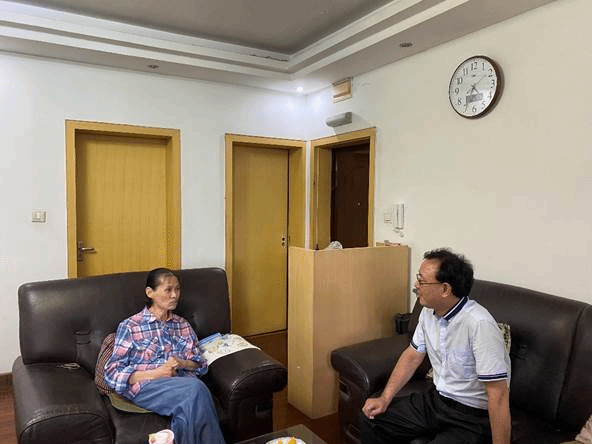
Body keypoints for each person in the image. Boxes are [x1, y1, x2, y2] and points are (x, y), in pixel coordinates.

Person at [361, 248, 511, 444]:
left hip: (471, 416)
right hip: (437, 401)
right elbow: (413, 355)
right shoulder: (428, 311)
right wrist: (384, 398)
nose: (416, 285)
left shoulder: (479, 324)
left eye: (421, 281)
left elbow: (498, 394)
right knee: (371, 419)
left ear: (445, 289)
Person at [104, 268, 225, 444]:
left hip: (182, 383)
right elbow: (112, 372)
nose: (175, 295)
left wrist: (182, 362)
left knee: (186, 413)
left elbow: (200, 364)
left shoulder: (182, 325)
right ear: (150, 292)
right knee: (196, 390)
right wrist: (157, 373)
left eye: (177, 289)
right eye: (168, 290)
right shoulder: (130, 326)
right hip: (146, 386)